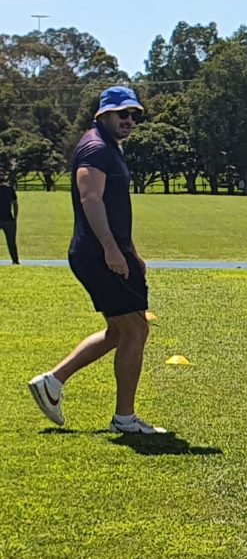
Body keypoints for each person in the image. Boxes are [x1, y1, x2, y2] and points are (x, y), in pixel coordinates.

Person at [27, 86, 165, 434]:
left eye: (134, 115)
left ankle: (52, 382)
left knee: (121, 330)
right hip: (97, 253)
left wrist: (129, 249)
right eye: (122, 114)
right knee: (135, 328)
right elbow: (91, 198)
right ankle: (124, 419)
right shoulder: (96, 148)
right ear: (102, 115)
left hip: (107, 251)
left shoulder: (109, 148)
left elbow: (117, 209)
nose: (129, 120)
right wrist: (111, 249)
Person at [0, 172, 18, 264]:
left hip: (8, 219)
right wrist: (15, 217)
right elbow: (15, 204)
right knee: (11, 242)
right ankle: (15, 261)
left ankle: (15, 260)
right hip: (9, 219)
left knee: (11, 242)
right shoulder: (9, 189)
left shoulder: (9, 189)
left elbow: (15, 204)